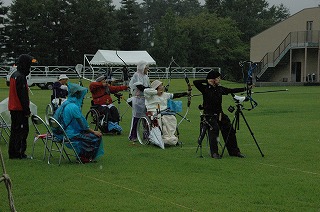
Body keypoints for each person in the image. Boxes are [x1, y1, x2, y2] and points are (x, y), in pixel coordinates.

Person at [193, 70, 246, 159]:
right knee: (214, 130)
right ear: (213, 79)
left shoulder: (220, 89)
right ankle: (214, 153)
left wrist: (246, 88)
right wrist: (207, 81)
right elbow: (195, 82)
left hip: (220, 114)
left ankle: (234, 151)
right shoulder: (205, 88)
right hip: (209, 115)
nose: (219, 79)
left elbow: (231, 90)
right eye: (217, 78)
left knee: (230, 130)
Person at [53, 83, 104, 163]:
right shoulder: (74, 107)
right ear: (78, 96)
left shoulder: (65, 103)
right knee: (95, 137)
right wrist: (94, 132)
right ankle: (84, 157)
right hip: (68, 134)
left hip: (59, 132)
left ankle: (83, 156)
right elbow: (83, 125)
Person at [8, 54, 36, 159]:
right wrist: (27, 111)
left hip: (13, 108)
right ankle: (19, 153)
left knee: (15, 131)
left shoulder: (14, 75)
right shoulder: (21, 77)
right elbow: (23, 96)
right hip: (19, 109)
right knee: (22, 131)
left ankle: (13, 152)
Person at [144, 80, 188, 146]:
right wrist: (156, 92)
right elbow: (145, 91)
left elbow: (175, 95)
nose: (163, 87)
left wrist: (186, 93)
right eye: (161, 85)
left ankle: (171, 137)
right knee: (163, 119)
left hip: (164, 112)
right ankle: (164, 137)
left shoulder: (165, 94)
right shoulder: (150, 95)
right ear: (156, 87)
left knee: (172, 118)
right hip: (152, 112)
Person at [128, 60, 150, 142]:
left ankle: (146, 135)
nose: (147, 69)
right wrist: (149, 90)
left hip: (145, 99)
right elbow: (140, 87)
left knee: (147, 118)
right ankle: (133, 136)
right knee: (136, 118)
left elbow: (147, 86)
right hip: (138, 100)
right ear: (142, 67)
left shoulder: (146, 76)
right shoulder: (137, 75)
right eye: (146, 68)